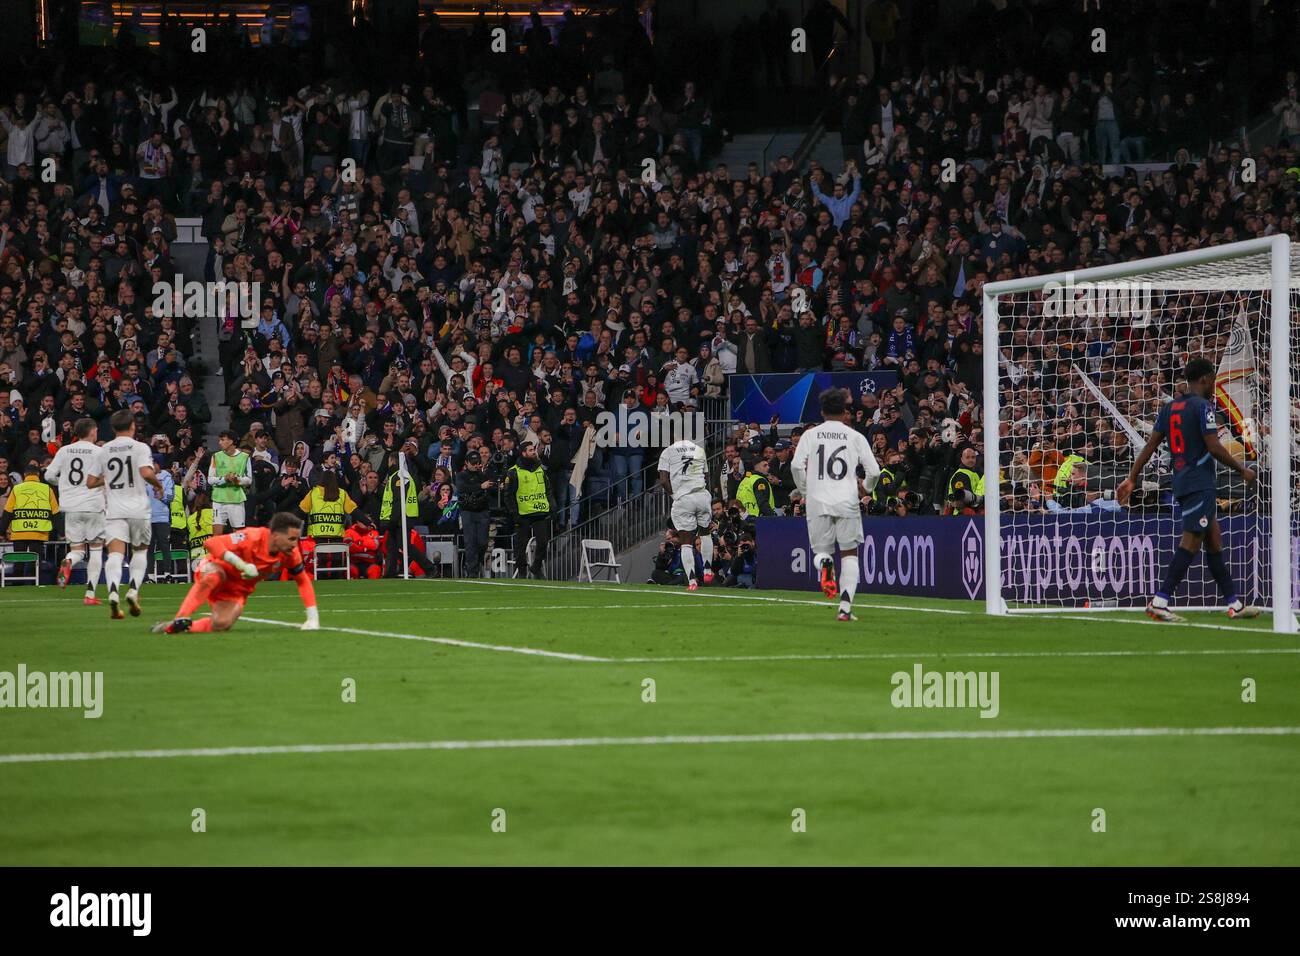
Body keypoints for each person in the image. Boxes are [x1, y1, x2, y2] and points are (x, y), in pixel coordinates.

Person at [1118, 357, 1260, 622]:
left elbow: (1150, 446)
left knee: (1213, 538)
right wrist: (1242, 469)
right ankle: (1160, 601)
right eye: (1213, 379)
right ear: (1205, 379)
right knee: (1192, 540)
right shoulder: (1203, 407)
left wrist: (1132, 478)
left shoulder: (1170, 408)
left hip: (1182, 481)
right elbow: (1214, 446)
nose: (1214, 384)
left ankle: (1235, 604)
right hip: (1198, 483)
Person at [791, 387, 880, 622]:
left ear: (822, 411)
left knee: (822, 553)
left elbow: (796, 466)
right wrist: (867, 488)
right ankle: (845, 608)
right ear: (845, 411)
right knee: (850, 554)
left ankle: (826, 566)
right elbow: (875, 471)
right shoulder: (855, 436)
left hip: (818, 500)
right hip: (847, 500)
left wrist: (805, 490)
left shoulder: (811, 435)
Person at [152, 511, 320, 633]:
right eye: (291, 538)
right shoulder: (252, 537)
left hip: (237, 590)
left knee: (222, 624)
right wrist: (241, 565)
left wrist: (313, 618)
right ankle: (182, 616)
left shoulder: (290, 554)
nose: (295, 544)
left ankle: (174, 627)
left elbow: (303, 581)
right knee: (213, 576)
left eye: (297, 539)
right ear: (275, 535)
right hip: (218, 569)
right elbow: (212, 543)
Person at [86, 409, 165, 620]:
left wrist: (110, 478)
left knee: (115, 554)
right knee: (139, 552)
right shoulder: (140, 447)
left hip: (114, 510)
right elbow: (146, 472)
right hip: (139, 509)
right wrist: (158, 486)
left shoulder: (104, 450)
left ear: (112, 428)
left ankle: (113, 591)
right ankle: (133, 590)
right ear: (132, 426)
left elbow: (91, 482)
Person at [47, 418, 106, 604]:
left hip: (70, 507)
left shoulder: (64, 451)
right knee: (96, 551)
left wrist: (63, 484)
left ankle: (69, 561)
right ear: (92, 432)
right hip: (93, 506)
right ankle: (89, 595)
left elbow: (48, 475)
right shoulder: (99, 452)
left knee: (77, 550)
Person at [656, 437, 710, 590]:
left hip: (684, 499)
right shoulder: (699, 451)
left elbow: (664, 481)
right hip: (701, 494)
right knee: (705, 534)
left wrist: (675, 496)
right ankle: (707, 570)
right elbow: (706, 476)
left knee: (686, 541)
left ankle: (692, 581)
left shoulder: (667, 452)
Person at [502, 440, 555, 579]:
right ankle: (522, 570)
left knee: (543, 541)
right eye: (531, 450)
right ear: (524, 453)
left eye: (534, 450)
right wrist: (514, 513)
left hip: (539, 511)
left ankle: (536, 566)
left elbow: (548, 489)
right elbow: (508, 495)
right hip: (523, 513)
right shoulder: (514, 472)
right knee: (521, 544)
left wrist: (552, 505)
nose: (534, 452)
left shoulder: (540, 469)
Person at [455, 453, 494, 577]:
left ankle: (477, 563)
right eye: (473, 463)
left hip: (482, 511)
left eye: (477, 462)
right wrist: (480, 486)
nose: (475, 465)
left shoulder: (483, 474)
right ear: (466, 463)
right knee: (470, 542)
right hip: (467, 511)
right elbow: (461, 488)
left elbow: (492, 486)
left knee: (483, 542)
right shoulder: (461, 475)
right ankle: (472, 572)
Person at [208, 430, 252, 535]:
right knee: (216, 537)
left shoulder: (244, 457)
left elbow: (249, 479)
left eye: (222, 440)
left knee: (238, 536)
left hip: (236, 500)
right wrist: (225, 479)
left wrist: (236, 479)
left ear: (231, 441)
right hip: (219, 500)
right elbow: (210, 479)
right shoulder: (216, 456)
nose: (219, 442)